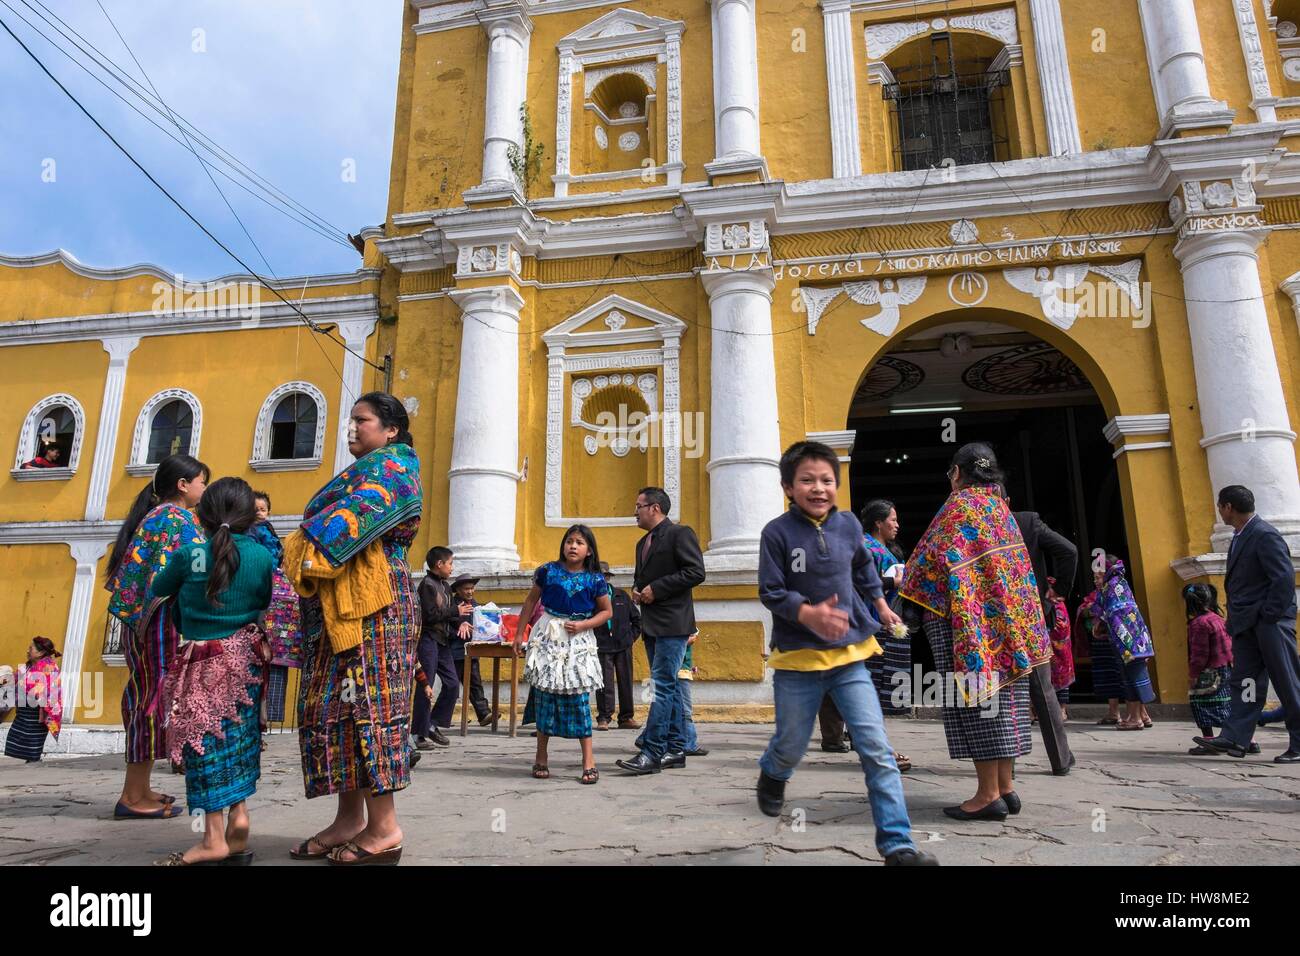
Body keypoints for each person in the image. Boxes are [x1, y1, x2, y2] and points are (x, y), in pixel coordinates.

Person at [755, 441, 935, 866]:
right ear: (787, 486)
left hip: (850, 655)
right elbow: (770, 591)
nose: (818, 488)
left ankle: (898, 846)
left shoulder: (850, 525)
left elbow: (863, 570)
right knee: (791, 745)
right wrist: (807, 613)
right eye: (807, 480)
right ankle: (774, 771)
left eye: (827, 480)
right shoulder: (776, 534)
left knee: (875, 747)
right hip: (798, 661)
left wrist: (882, 606)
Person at [284, 392, 422, 865]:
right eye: (351, 420)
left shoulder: (394, 472)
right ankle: (349, 820)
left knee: (369, 704)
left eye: (361, 420)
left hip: (376, 604)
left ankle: (385, 828)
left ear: (391, 431)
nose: (352, 427)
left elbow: (341, 525)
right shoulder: (360, 474)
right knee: (334, 710)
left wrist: (303, 539)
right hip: (337, 602)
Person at [899, 443, 1049, 822]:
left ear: (956, 473)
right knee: (1006, 701)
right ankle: (1005, 787)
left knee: (979, 701)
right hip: (1008, 626)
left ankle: (986, 795)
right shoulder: (1001, 509)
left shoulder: (958, 506)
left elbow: (925, 559)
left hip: (968, 623)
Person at [151, 477, 274, 865]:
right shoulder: (260, 556)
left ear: (203, 514)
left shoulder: (192, 554)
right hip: (244, 662)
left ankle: (212, 838)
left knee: (203, 747)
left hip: (201, 662)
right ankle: (239, 817)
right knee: (236, 740)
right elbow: (264, 598)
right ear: (249, 515)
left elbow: (159, 586)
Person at [104, 453, 209, 819]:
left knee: (147, 696)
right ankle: (132, 796)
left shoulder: (156, 517)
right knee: (152, 701)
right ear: (183, 485)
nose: (204, 489)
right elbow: (191, 571)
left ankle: (140, 788)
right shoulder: (176, 519)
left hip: (146, 622)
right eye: (201, 482)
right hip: (161, 621)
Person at [1195, 485, 1300, 763]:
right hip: (1247, 625)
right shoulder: (1241, 536)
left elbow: (1283, 579)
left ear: (1229, 507)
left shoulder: (1264, 534)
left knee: (1287, 681)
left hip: (1269, 623)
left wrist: (1269, 615)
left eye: (1220, 506)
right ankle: (1236, 736)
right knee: (1247, 682)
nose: (1219, 511)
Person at [616, 487, 706, 775]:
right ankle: (676, 748)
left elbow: (695, 572)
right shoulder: (643, 542)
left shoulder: (680, 534)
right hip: (652, 622)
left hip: (673, 622)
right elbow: (642, 578)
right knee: (672, 687)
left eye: (639, 505)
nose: (635, 511)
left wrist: (658, 589)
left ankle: (652, 751)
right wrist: (637, 590)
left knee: (662, 686)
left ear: (654, 508)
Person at [819, 499, 913, 770]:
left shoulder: (875, 549)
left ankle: (868, 744)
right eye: (892, 519)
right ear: (878, 523)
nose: (896, 524)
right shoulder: (864, 548)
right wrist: (890, 583)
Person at [513, 525, 611, 784]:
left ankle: (588, 760)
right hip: (548, 635)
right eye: (569, 541)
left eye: (579, 542)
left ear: (589, 550)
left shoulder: (595, 579)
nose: (573, 546)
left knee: (579, 697)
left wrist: (583, 625)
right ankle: (541, 756)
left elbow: (606, 612)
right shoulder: (547, 571)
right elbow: (530, 602)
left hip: (579, 639)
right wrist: (520, 634)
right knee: (545, 694)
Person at [1008, 500, 1078, 775]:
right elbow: (1068, 551)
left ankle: (1005, 767)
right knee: (1043, 689)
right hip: (1030, 614)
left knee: (1003, 693)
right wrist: (1058, 589)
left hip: (992, 618)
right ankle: (1060, 759)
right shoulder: (1026, 521)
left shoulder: (975, 522)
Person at [247, 490, 302, 730]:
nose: (259, 513)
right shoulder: (249, 534)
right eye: (255, 509)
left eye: (263, 509)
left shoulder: (269, 531)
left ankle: (263, 719)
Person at [1092, 555, 1155, 731]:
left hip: (1129, 641)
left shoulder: (1114, 586)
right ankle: (1142, 715)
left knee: (1132, 677)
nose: (1096, 580)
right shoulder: (1115, 585)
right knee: (1131, 675)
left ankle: (1135, 718)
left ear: (1108, 571)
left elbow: (1114, 613)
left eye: (1098, 576)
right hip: (1132, 640)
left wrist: (1100, 622)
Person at [413, 546, 463, 749]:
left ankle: (432, 724)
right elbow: (430, 615)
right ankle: (418, 734)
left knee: (452, 683)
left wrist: (460, 622)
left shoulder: (445, 586)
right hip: (428, 640)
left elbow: (450, 614)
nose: (452, 568)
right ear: (439, 564)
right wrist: (454, 610)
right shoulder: (427, 585)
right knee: (426, 687)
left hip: (443, 642)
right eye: (450, 563)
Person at [1183, 583, 1239, 755]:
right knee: (1226, 704)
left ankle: (1208, 741)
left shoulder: (1199, 624)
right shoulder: (1218, 619)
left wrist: (1193, 675)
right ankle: (1246, 740)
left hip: (1208, 671)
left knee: (1200, 704)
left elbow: (1200, 654)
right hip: (1225, 667)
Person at [596, 562, 641, 732]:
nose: (601, 579)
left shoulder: (622, 596)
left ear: (608, 578)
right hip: (601, 646)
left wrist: (630, 638)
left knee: (626, 681)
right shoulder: (591, 598)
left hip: (623, 646)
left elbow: (637, 620)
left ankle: (626, 717)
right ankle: (604, 717)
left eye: (604, 576)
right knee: (604, 683)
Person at [450, 573, 499, 727]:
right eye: (466, 589)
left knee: (474, 683)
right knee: (452, 687)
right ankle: (443, 716)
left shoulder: (476, 605)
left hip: (472, 650)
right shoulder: (453, 605)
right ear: (458, 590)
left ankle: (484, 713)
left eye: (472, 588)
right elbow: (449, 624)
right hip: (456, 650)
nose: (470, 592)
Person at [3, 637, 63, 762]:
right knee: (16, 739)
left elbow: (45, 691)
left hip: (38, 714)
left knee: (33, 743)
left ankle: (34, 763)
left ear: (40, 653)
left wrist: (23, 685)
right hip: (23, 713)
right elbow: (16, 677)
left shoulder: (50, 668)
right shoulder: (29, 666)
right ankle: (31, 762)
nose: (27, 650)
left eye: (31, 648)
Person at [1077, 588, 1125, 724]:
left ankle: (1139, 714)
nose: (1096, 580)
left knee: (1123, 675)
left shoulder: (1117, 591)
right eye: (1095, 577)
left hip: (1116, 639)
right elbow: (1086, 611)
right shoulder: (1096, 595)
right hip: (1100, 642)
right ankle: (1113, 712)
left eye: (1099, 577)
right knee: (1107, 676)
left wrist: (1095, 609)